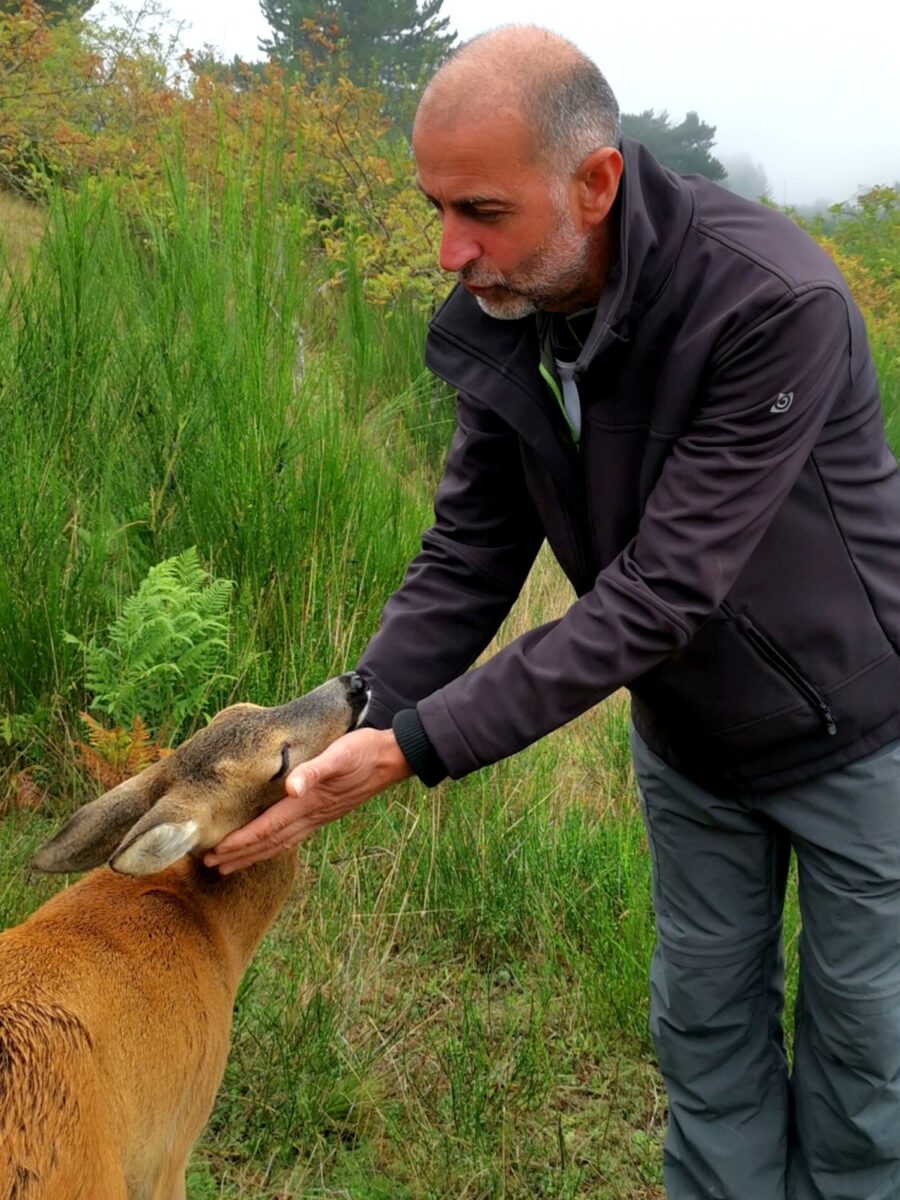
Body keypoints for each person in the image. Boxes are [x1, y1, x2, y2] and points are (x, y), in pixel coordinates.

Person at [204, 25, 900, 1200]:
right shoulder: (511, 308)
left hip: (860, 733)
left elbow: (665, 589)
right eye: (435, 207)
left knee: (866, 1072)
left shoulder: (773, 303)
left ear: (595, 181)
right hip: (691, 744)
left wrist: (418, 747)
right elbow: (471, 551)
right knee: (706, 1039)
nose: (449, 251)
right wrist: (357, 711)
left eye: (481, 210)